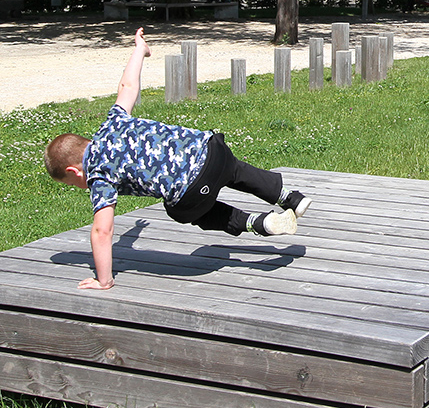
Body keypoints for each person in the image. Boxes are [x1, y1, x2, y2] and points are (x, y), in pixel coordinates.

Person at [44, 28, 312, 290]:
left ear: (74, 171)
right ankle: (291, 198)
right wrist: (140, 50)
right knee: (234, 170)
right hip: (213, 149)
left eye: (72, 183)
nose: (79, 186)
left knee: (179, 210)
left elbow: (102, 231)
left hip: (193, 189)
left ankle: (257, 222)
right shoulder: (112, 122)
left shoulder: (98, 174)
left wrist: (104, 280)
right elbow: (127, 85)